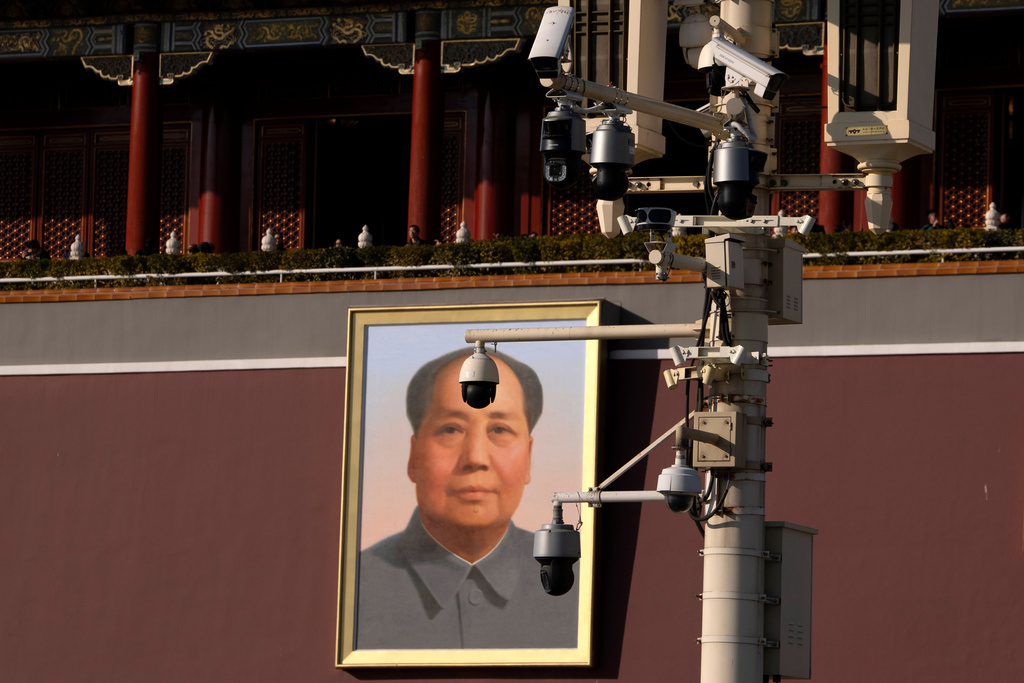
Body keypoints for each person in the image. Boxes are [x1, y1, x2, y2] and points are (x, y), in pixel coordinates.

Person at [356, 349, 578, 650]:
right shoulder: (356, 585)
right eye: (451, 429)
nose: (475, 458)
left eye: (499, 429)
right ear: (413, 456)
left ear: (528, 458)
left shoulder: (577, 585)